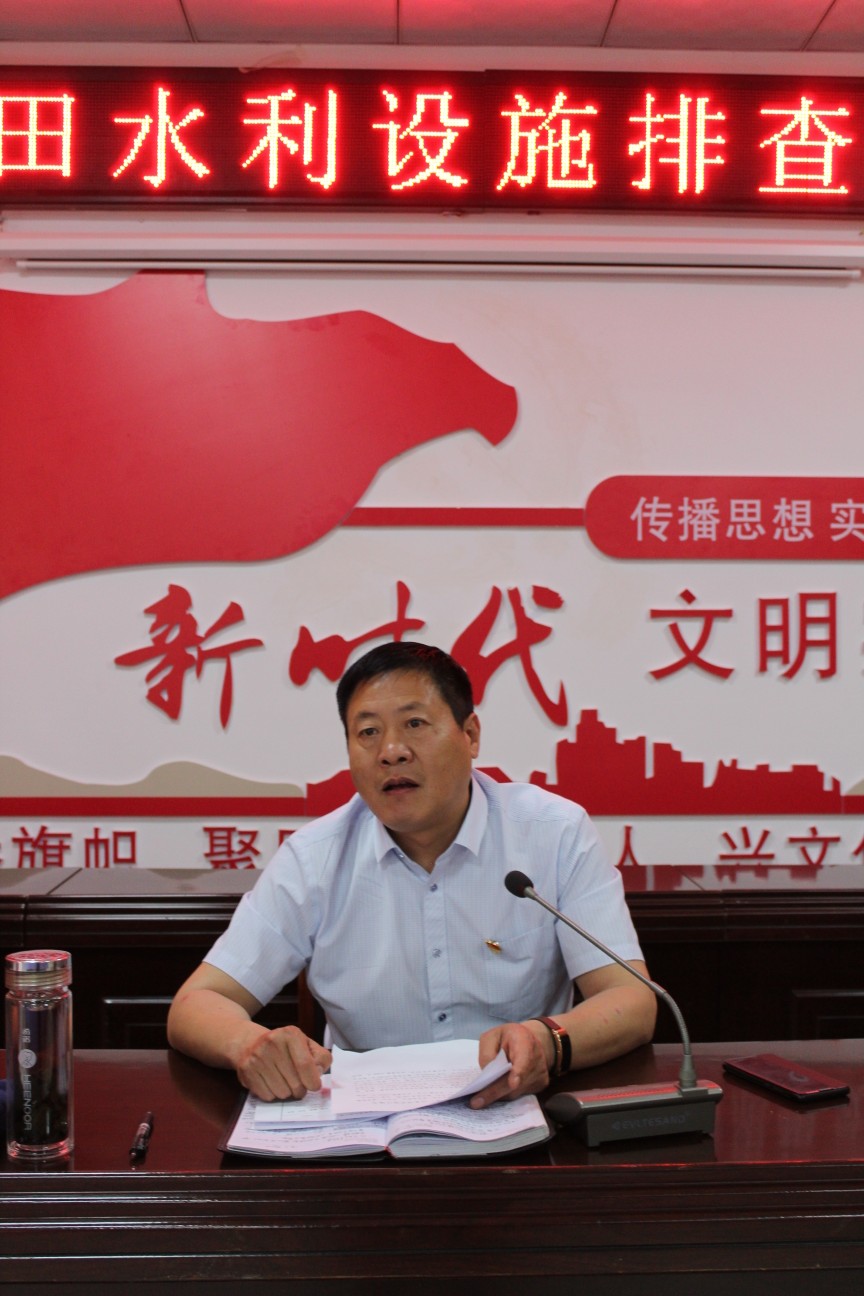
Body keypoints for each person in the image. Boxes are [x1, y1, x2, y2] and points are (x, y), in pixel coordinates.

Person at [167, 642, 656, 1107]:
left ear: (470, 735)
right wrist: (249, 1044)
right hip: (362, 1128)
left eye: (415, 724)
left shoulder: (553, 834)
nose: (391, 751)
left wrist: (546, 1041)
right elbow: (197, 1002)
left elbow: (631, 999)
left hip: (515, 1109)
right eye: (368, 732)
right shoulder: (313, 858)